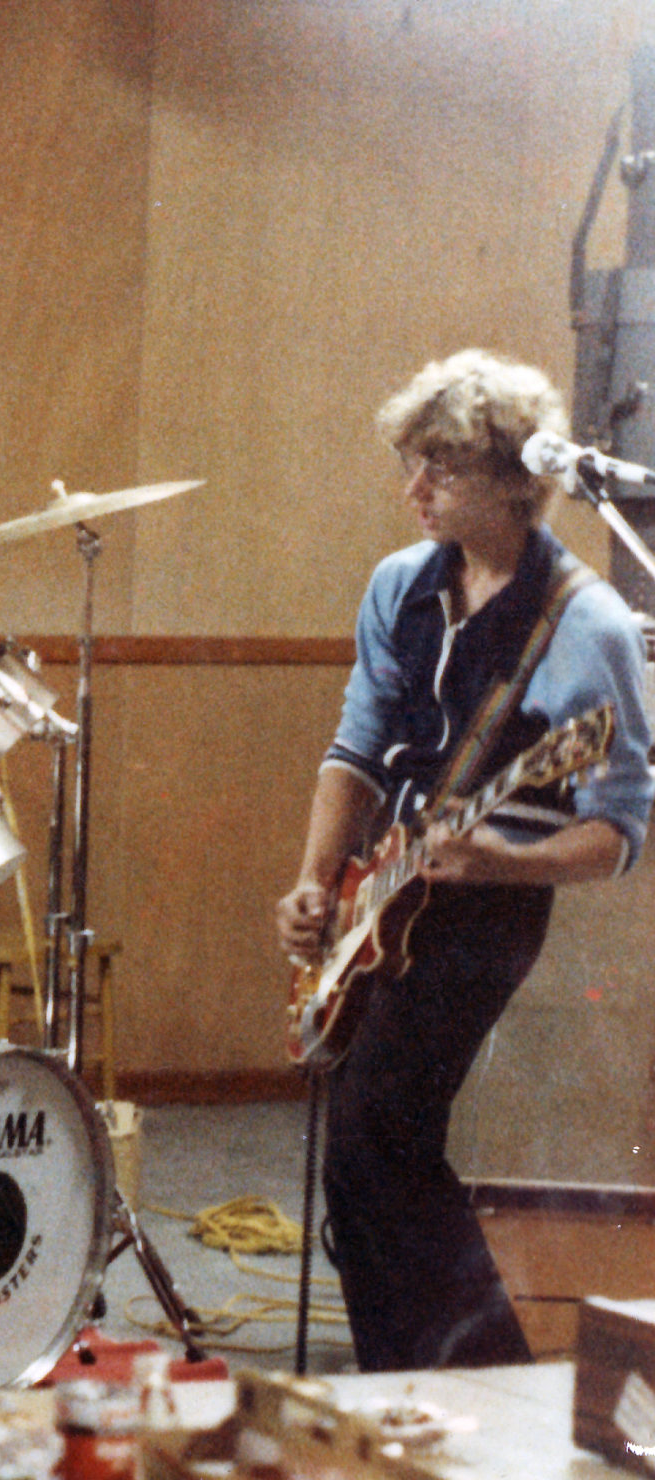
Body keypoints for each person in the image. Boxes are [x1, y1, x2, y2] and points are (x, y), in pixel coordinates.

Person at [275, 348, 653, 1372]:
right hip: (383, 892)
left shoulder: (585, 624)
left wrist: (503, 863)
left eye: (439, 469)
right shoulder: (399, 586)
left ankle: (481, 1378)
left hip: (489, 910)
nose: (414, 490)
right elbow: (354, 750)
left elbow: (618, 832)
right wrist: (316, 881)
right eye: (411, 465)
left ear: (512, 480)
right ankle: (414, 1381)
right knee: (365, 1159)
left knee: (374, 1138)